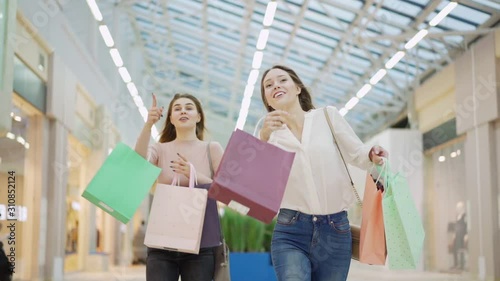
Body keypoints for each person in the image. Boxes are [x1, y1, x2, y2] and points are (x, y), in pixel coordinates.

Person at [259, 65, 389, 281]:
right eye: (268, 85)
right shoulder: (268, 135)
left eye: (282, 80)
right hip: (290, 229)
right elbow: (260, 184)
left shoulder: (327, 117)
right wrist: (263, 138)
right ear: (267, 100)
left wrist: (372, 154)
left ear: (298, 88)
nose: (276, 86)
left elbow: (357, 153)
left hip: (335, 229)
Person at [135, 93, 224, 281]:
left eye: (189, 107)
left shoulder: (212, 149)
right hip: (162, 242)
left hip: (201, 243)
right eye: (177, 108)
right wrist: (148, 125)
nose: (183, 110)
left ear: (198, 117)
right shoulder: (160, 149)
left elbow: (226, 191)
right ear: (171, 119)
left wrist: (194, 175)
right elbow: (138, 163)